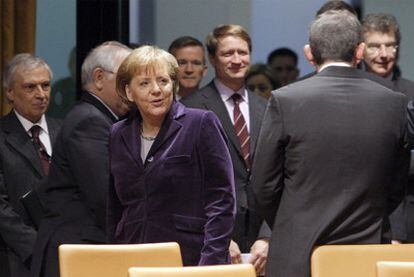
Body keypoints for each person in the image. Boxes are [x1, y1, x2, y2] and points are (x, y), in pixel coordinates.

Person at [252, 10, 409, 277]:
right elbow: (396, 184)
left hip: (298, 252)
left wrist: (293, 218)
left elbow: (263, 184)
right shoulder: (392, 103)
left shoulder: (285, 100)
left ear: (309, 53)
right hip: (367, 251)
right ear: (360, 51)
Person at [107, 45, 235, 266]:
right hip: (133, 256)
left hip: (190, 258)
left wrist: (210, 264)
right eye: (144, 83)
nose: (156, 90)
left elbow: (222, 200)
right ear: (129, 92)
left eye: (163, 81)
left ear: (173, 85)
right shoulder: (118, 133)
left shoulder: (200, 123)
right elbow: (115, 206)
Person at [30, 41, 132, 277]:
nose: (131, 89)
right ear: (99, 77)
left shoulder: (101, 117)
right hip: (77, 249)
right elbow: (104, 198)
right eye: (126, 79)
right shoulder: (89, 121)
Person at [181, 24, 269, 275]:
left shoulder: (269, 107)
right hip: (212, 239)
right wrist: (218, 235)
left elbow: (283, 175)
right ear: (212, 58)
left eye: (242, 52)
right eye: (228, 53)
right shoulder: (191, 108)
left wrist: (268, 236)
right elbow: (187, 182)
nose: (237, 60)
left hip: (261, 241)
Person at [0, 54, 61, 277]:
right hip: (18, 257)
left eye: (45, 85)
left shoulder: (64, 132)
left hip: (66, 249)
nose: (41, 94)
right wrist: (37, 247)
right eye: (30, 87)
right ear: (9, 92)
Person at [362, 13, 414, 99]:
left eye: (389, 46)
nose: (384, 54)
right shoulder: (350, 92)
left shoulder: (412, 92)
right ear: (361, 50)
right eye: (375, 47)